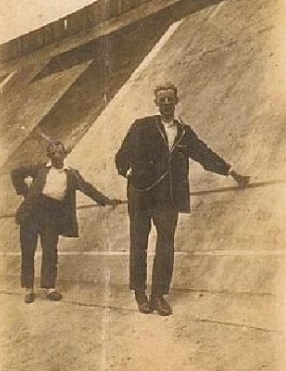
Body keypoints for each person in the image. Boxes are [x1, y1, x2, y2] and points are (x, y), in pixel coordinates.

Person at [115, 83, 250, 316]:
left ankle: (158, 295)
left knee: (166, 244)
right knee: (139, 243)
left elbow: (205, 154)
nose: (166, 103)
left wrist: (231, 171)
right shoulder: (142, 126)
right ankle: (140, 293)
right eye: (162, 99)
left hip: (168, 198)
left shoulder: (185, 132)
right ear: (156, 103)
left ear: (176, 101)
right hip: (141, 194)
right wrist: (131, 174)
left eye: (170, 99)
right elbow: (121, 157)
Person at [11, 140, 121, 303]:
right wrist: (25, 193)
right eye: (53, 153)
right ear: (49, 156)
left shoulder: (72, 174)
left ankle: (50, 288)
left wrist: (107, 201)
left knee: (50, 251)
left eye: (60, 152)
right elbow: (16, 173)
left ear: (65, 154)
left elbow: (88, 188)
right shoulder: (40, 169)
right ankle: (29, 289)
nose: (57, 156)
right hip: (32, 213)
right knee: (28, 251)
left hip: (52, 216)